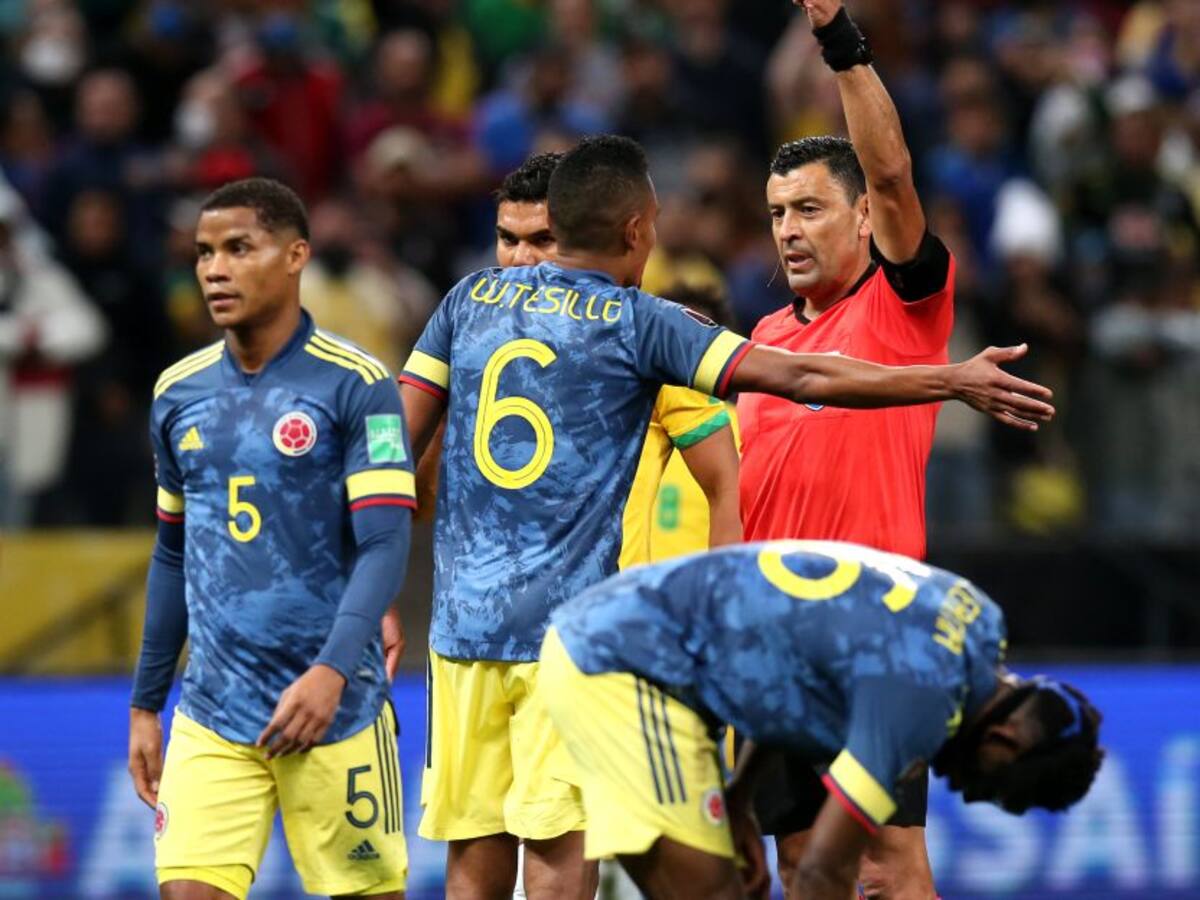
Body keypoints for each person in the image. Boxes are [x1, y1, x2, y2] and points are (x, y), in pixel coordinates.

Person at [398, 134, 1053, 900]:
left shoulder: (464, 303)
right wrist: (950, 378)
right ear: (642, 229)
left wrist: (370, 570)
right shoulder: (642, 324)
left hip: (460, 630)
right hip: (569, 636)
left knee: (474, 862)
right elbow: (802, 376)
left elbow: (392, 443)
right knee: (566, 858)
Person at [737, 3, 986, 893]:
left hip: (876, 631)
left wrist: (841, 42)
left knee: (889, 859)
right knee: (800, 863)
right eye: (777, 215)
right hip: (770, 640)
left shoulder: (903, 310)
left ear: (863, 222)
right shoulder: (758, 342)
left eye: (810, 209)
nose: (790, 231)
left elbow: (890, 167)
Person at [127, 177, 414, 900]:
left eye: (237, 248)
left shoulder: (357, 385)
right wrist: (144, 704)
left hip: (335, 710)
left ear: (295, 256)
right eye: (203, 253)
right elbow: (171, 552)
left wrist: (333, 671)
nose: (214, 270)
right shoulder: (177, 393)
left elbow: (384, 543)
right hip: (214, 709)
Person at [540, 540, 1104, 900]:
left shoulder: (977, 618)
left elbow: (798, 665)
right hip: (623, 665)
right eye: (1000, 784)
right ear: (1004, 737)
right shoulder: (918, 701)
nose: (975, 794)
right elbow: (819, 875)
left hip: (658, 648)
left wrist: (741, 796)